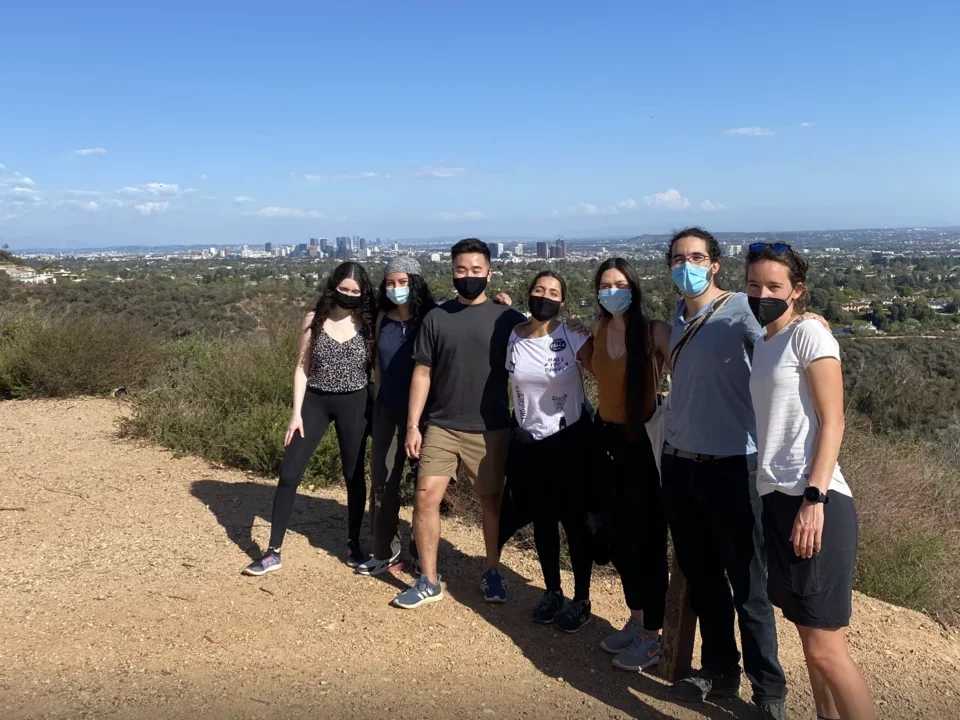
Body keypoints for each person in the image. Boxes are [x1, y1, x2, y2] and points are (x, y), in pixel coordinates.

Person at [660, 227, 790, 719]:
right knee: (703, 576)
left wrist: (806, 322)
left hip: (734, 465)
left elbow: (780, 348)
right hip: (680, 462)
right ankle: (720, 670)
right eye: (678, 258)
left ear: (714, 264)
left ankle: (768, 691)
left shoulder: (742, 310)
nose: (686, 265)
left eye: (695, 257)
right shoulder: (675, 316)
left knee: (748, 583)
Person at [745, 242, 876, 720]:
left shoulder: (810, 337)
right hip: (777, 498)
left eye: (774, 286)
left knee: (826, 651)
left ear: (796, 292)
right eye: (754, 284)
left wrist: (814, 499)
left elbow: (833, 421)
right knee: (807, 635)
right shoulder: (763, 343)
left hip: (815, 499)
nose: (762, 293)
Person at [393, 238, 525, 608]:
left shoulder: (509, 320)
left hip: (490, 427)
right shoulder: (437, 317)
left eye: (476, 270)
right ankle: (429, 579)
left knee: (490, 501)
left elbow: (540, 349)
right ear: (452, 272)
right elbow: (423, 372)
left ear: (489, 272)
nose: (469, 276)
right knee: (425, 497)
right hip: (441, 424)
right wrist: (414, 425)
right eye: (461, 270)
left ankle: (492, 570)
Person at [242, 261, 375, 576]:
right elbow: (302, 368)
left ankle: (354, 545)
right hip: (314, 400)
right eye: (344, 289)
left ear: (363, 293)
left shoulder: (368, 323)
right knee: (289, 474)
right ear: (333, 287)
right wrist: (295, 414)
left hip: (355, 401)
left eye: (355, 291)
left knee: (354, 476)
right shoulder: (313, 320)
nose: (349, 295)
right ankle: (273, 551)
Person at [580, 258, 672, 671]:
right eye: (605, 284)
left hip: (643, 441)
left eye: (619, 284)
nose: (611, 291)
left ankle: (654, 634)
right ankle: (636, 620)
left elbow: (693, 366)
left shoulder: (653, 333)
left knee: (647, 539)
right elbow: (586, 361)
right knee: (616, 536)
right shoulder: (598, 330)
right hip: (606, 438)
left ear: (633, 288)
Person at [502, 270, 595, 632]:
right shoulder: (513, 336)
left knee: (575, 523)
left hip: (568, 440)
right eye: (539, 289)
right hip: (529, 440)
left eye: (553, 292)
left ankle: (582, 598)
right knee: (543, 520)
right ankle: (552, 590)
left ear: (562, 301)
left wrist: (598, 330)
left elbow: (604, 370)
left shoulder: (571, 335)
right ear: (529, 293)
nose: (545, 296)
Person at [355, 257, 436, 577]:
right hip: (386, 410)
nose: (396, 288)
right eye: (390, 282)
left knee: (424, 486)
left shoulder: (430, 318)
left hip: (425, 414)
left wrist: (502, 303)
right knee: (383, 482)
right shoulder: (379, 320)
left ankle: (420, 555)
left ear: (414, 283)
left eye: (402, 282)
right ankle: (384, 551)